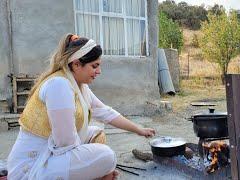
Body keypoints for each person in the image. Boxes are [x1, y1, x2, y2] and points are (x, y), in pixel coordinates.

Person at [7, 34, 156, 180]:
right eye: (94, 66)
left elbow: (105, 112)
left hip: (53, 150)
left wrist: (139, 130)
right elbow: (65, 143)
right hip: (34, 164)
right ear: (76, 64)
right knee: (107, 156)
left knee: (97, 134)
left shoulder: (78, 86)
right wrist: (97, 167)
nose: (99, 71)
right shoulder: (59, 85)